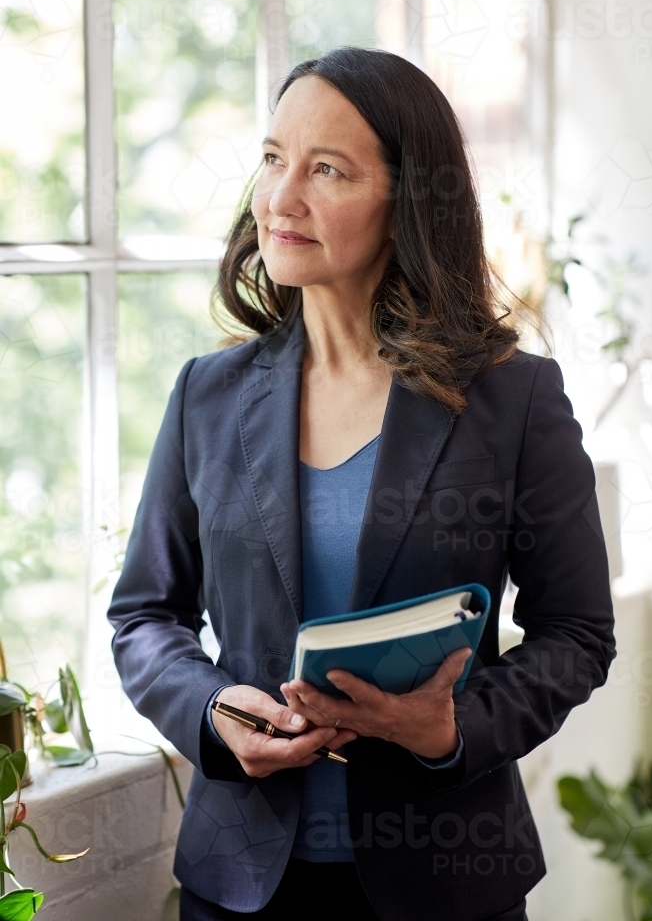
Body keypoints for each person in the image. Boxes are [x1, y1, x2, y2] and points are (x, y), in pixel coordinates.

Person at [108, 47, 615, 921]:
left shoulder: (513, 398)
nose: (281, 198)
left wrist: (454, 729)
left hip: (448, 882)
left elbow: (575, 633)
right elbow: (144, 614)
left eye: (328, 170)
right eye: (273, 160)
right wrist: (212, 710)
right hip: (241, 885)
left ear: (407, 203)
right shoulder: (208, 393)